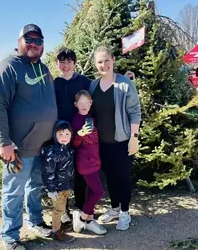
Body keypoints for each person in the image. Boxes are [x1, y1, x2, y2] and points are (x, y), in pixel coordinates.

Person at [0, 24, 57, 250]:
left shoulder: (44, 68)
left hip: (43, 145)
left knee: (35, 186)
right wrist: (4, 142)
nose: (34, 44)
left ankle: (35, 221)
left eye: (38, 41)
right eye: (29, 39)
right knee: (13, 191)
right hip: (19, 148)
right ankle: (10, 236)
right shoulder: (8, 67)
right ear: (19, 40)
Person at [89, 46, 141, 231]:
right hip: (102, 143)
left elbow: (135, 112)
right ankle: (114, 209)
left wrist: (134, 137)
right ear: (96, 65)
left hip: (122, 142)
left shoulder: (125, 84)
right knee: (110, 177)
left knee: (122, 178)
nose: (104, 65)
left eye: (106, 60)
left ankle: (125, 213)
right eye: (100, 62)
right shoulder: (93, 86)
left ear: (113, 60)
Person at [54, 48, 91, 226]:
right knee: (62, 172)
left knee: (81, 172)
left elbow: (102, 87)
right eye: (62, 61)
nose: (66, 65)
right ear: (57, 64)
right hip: (62, 135)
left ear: (75, 63)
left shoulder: (84, 81)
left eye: (69, 61)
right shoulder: (54, 83)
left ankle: (80, 207)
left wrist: (125, 77)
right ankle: (63, 210)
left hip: (81, 133)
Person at [71, 90, 107, 235]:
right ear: (76, 104)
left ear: (91, 103)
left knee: (92, 191)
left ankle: (88, 220)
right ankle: (82, 216)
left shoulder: (92, 118)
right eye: (81, 103)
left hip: (95, 161)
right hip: (85, 163)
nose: (84, 105)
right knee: (98, 191)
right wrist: (79, 134)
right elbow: (73, 143)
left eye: (87, 102)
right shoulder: (76, 120)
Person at [41, 121, 75, 243]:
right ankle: (56, 232)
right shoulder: (52, 153)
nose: (64, 137)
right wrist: (50, 189)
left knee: (61, 208)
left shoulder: (69, 150)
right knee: (58, 210)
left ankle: (59, 226)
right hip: (57, 188)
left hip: (65, 186)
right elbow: (48, 173)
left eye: (67, 134)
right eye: (60, 134)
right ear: (55, 135)